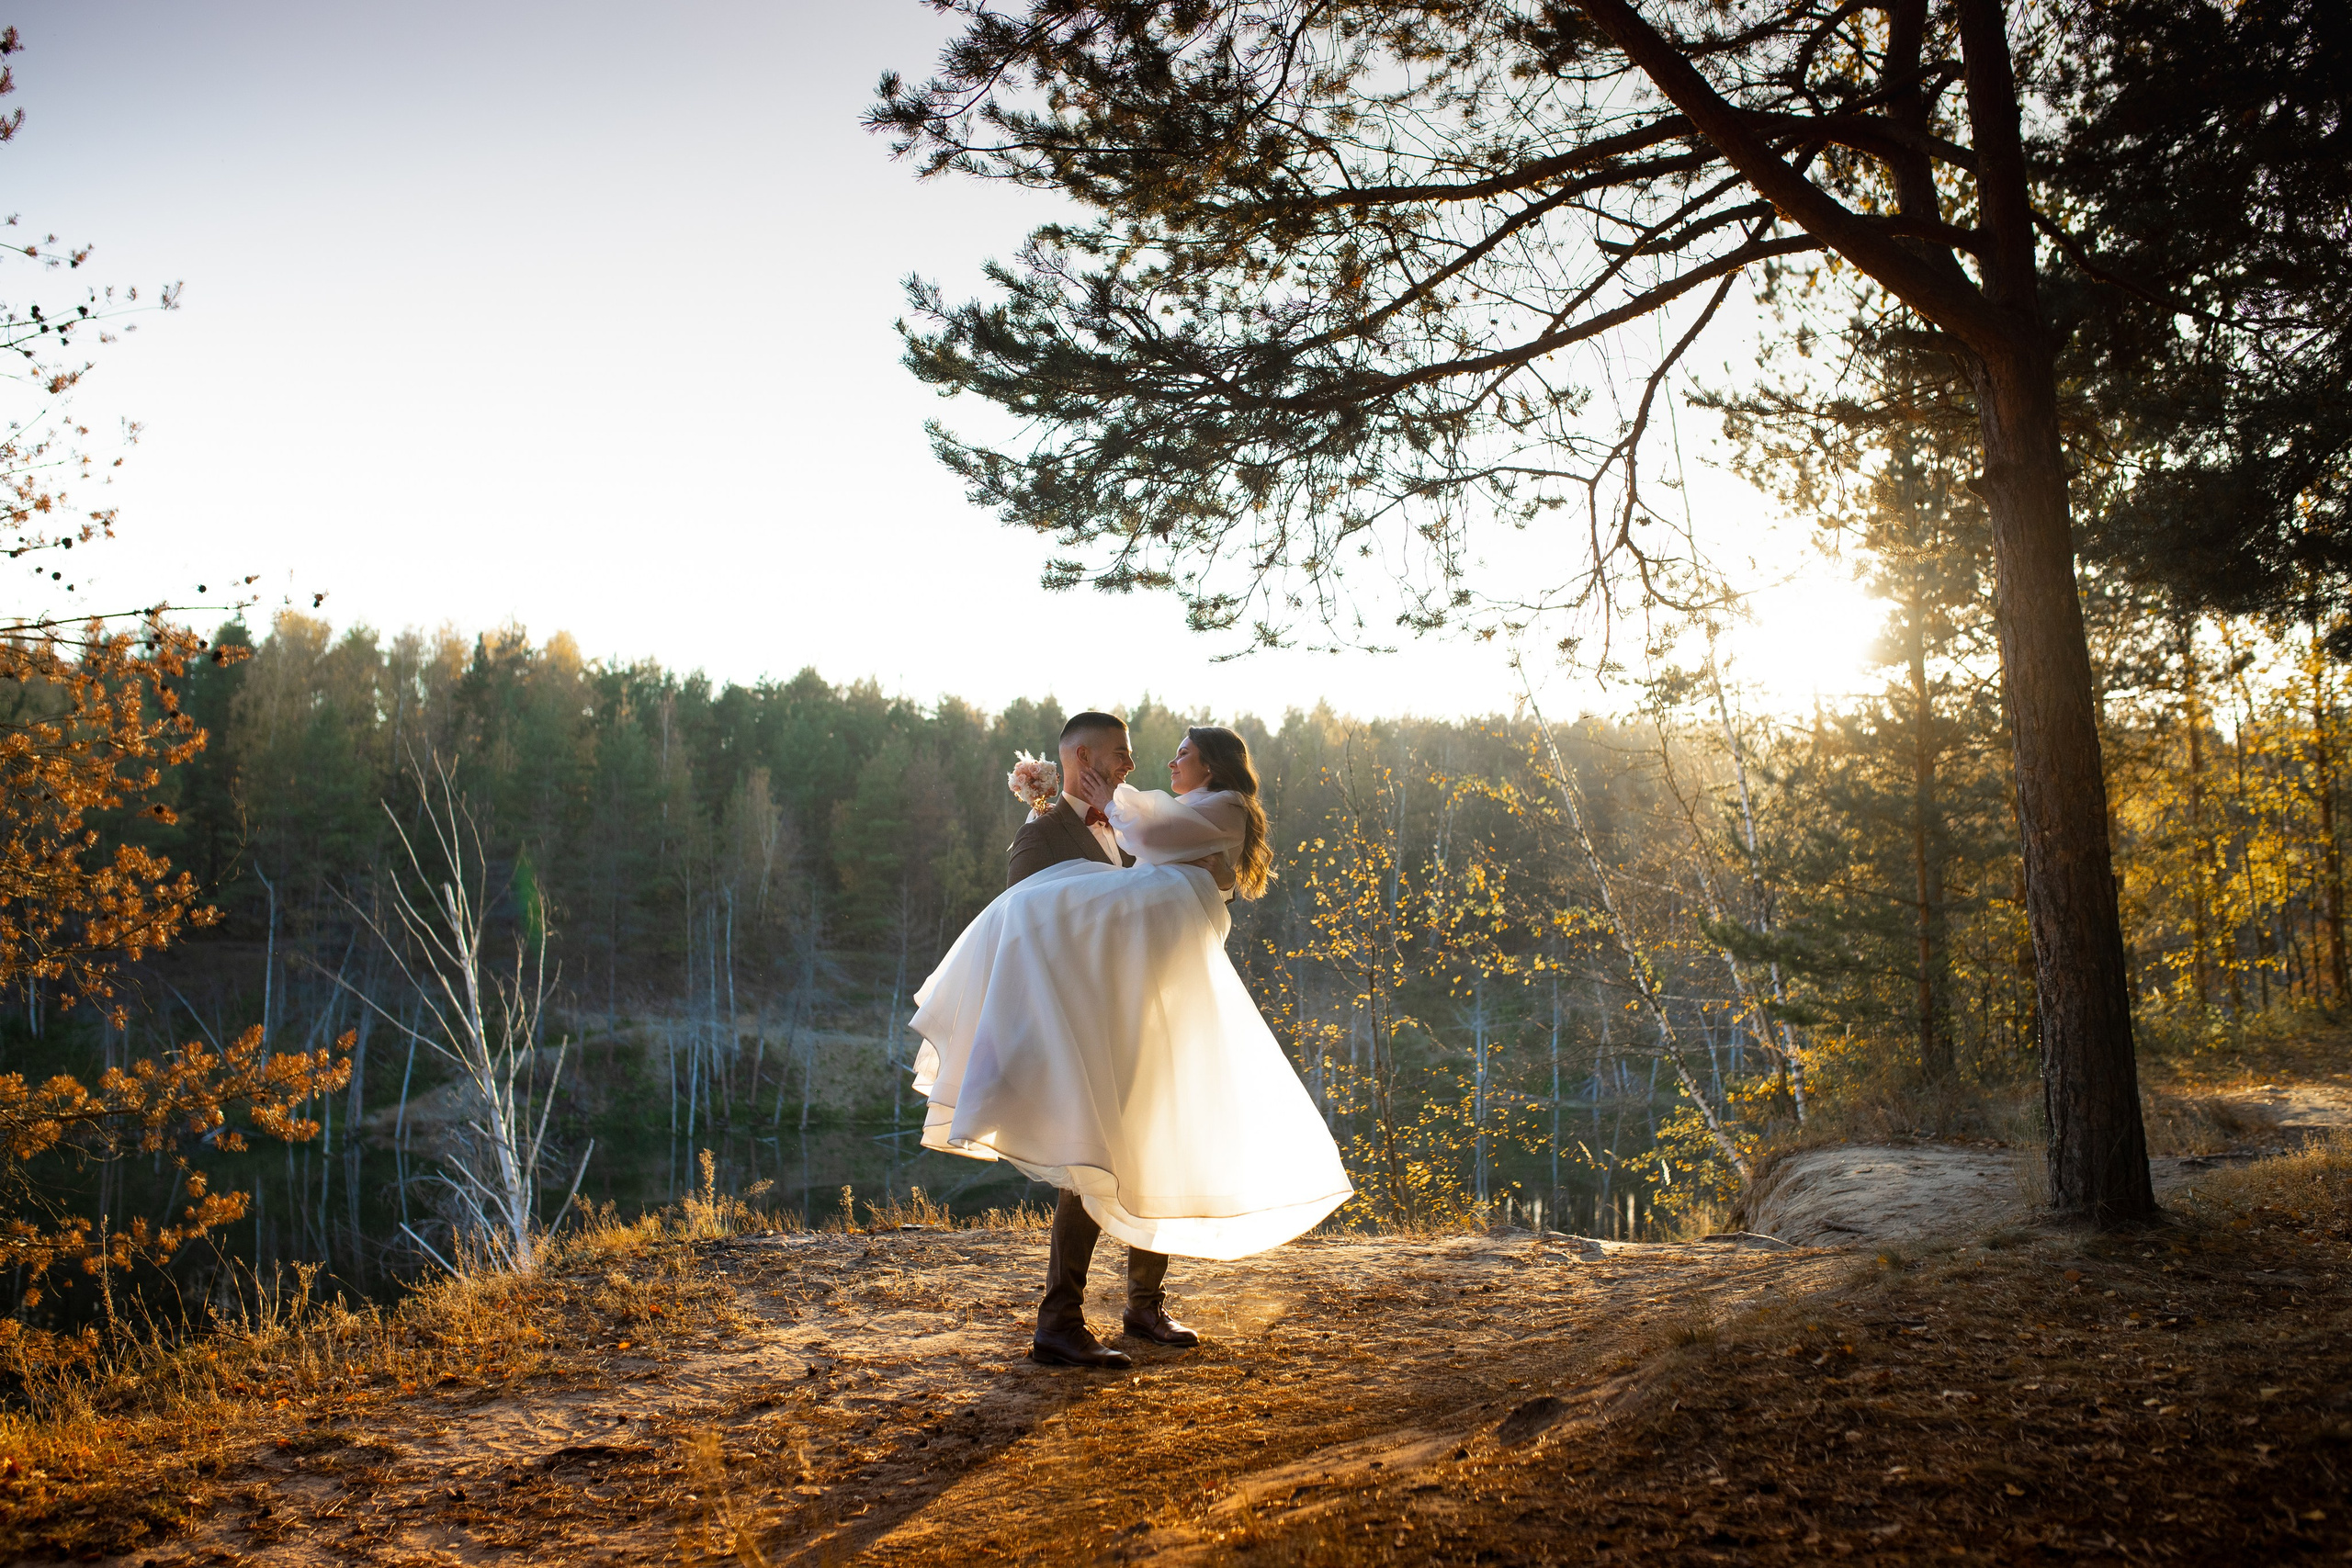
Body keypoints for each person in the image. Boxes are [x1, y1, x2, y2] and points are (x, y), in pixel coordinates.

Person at [908, 713, 1352, 1371]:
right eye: (1121, 753)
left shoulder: (1152, 814)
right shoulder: (1044, 833)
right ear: (1083, 757)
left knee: (1156, 1144)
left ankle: (1145, 1305)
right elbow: (1028, 930)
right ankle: (1059, 1321)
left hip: (1150, 1009)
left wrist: (1212, 875)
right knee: (1087, 1163)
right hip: (1084, 1024)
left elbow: (1175, 886)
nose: (1133, 765)